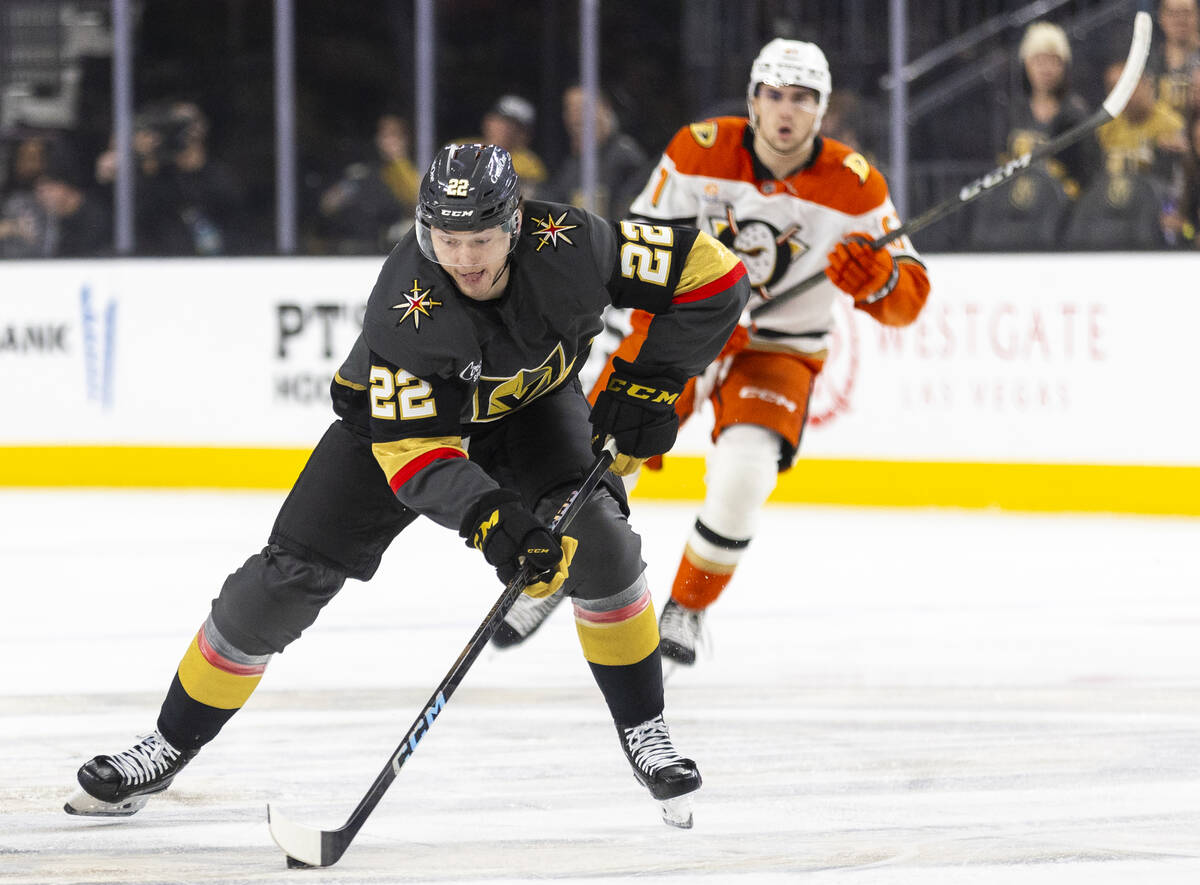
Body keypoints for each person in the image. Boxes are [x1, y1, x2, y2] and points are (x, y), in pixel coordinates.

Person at [63, 144, 749, 827]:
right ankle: (165, 744)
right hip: (389, 438)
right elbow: (418, 457)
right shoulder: (406, 306)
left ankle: (647, 731)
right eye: (447, 239)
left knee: (599, 542)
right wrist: (493, 519)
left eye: (481, 238)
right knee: (277, 584)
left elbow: (713, 276)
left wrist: (652, 380)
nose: (465, 259)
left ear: (514, 225)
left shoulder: (570, 241)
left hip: (531, 410)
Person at [492, 38, 930, 666]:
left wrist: (880, 282)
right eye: (774, 95)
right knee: (602, 451)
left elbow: (910, 297)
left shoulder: (855, 187)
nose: (787, 111)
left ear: (823, 110)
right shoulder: (698, 150)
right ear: (753, 101)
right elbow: (638, 251)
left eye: (803, 99)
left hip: (779, 346)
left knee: (745, 472)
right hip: (686, 323)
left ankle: (688, 606)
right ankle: (560, 571)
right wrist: (661, 323)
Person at [1003, 21, 1101, 201]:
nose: (1046, 69)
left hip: (1065, 209)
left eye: (1053, 61)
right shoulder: (1014, 111)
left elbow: (1088, 172)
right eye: (1039, 60)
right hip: (1021, 208)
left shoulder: (1076, 114)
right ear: (1026, 63)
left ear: (1064, 66)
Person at [318, 112, 421, 253]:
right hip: (358, 246)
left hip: (395, 250)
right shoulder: (362, 171)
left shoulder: (416, 169)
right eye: (384, 136)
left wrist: (399, 162)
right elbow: (328, 204)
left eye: (395, 136)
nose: (389, 142)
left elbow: (419, 203)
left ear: (407, 139)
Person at [543, 84, 649, 220]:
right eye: (570, 110)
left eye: (583, 108)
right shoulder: (571, 166)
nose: (575, 118)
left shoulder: (625, 157)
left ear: (605, 109)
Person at [479, 94, 549, 199]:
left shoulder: (529, 163)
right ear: (487, 121)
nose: (503, 128)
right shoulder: (463, 147)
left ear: (524, 135)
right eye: (499, 120)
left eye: (511, 125)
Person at [1149, 0, 1200, 118]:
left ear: (1197, 15)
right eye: (1173, 13)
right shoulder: (1149, 62)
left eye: (1186, 12)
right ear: (1161, 17)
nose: (1181, 20)